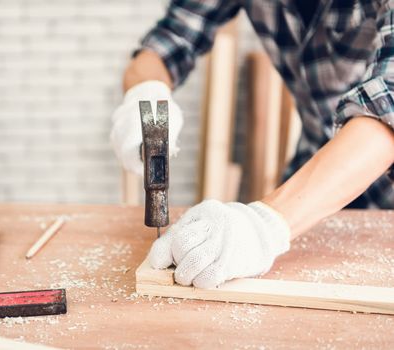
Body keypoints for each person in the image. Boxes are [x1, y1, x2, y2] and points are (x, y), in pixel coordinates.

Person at [110, 0, 394, 289]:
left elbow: (390, 102)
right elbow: (170, 40)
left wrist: (263, 225)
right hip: (308, 174)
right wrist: (145, 90)